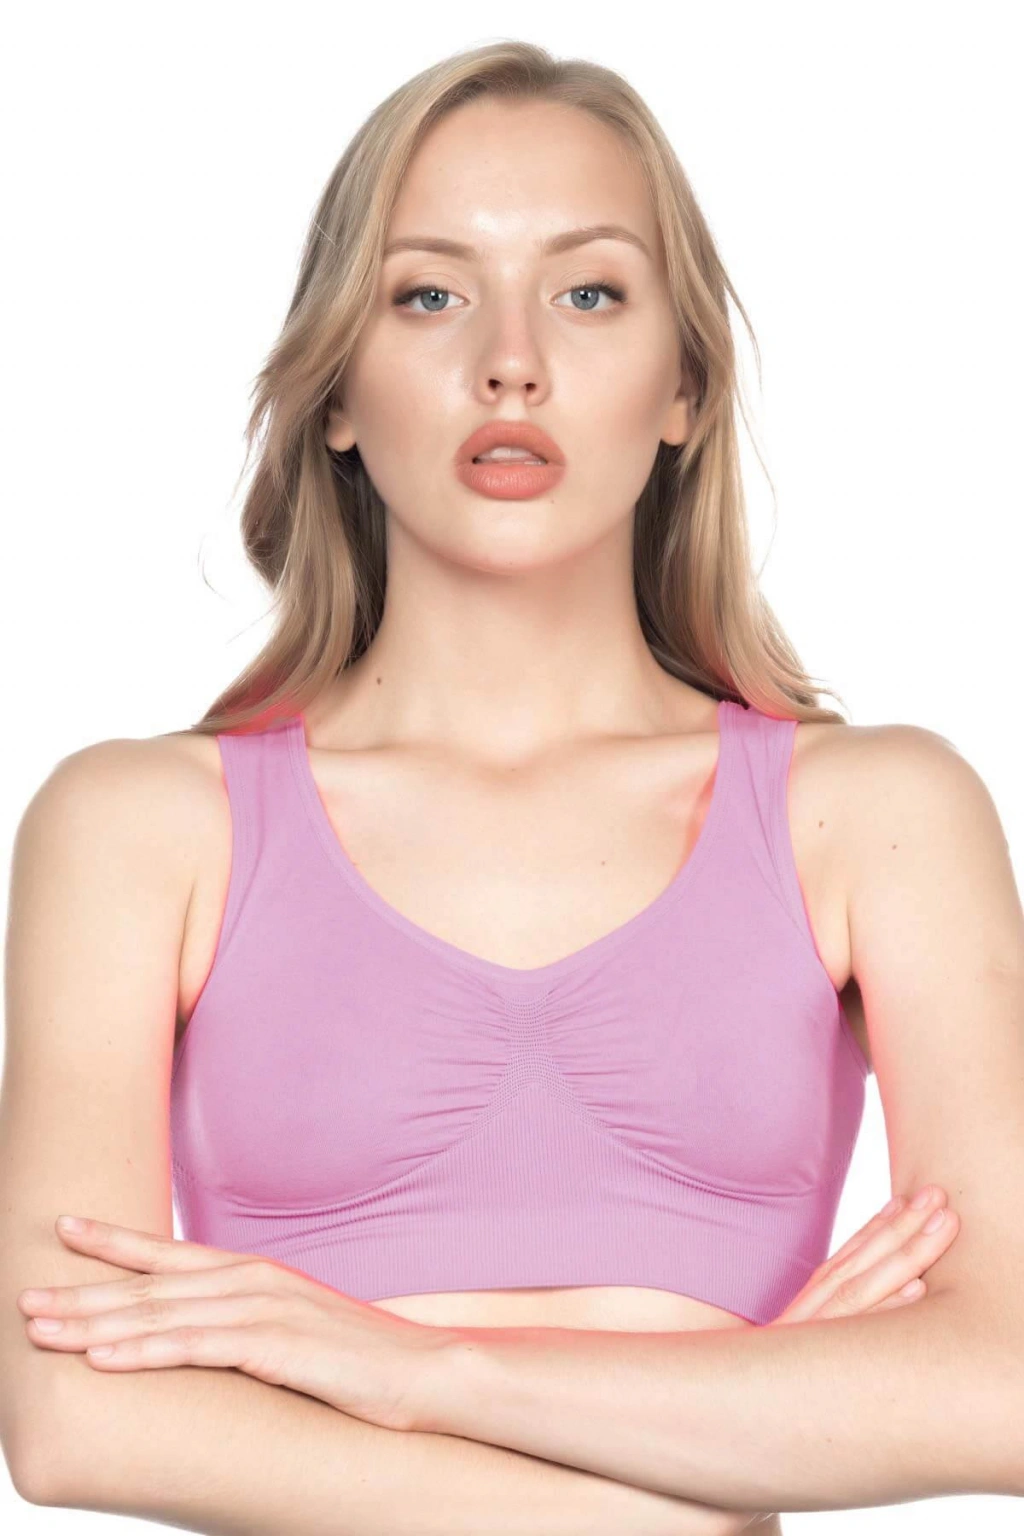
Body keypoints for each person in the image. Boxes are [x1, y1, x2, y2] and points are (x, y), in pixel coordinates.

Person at [10, 40, 1003, 1535]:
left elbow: (1001, 1385)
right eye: (429, 295)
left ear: (684, 387)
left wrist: (423, 1375)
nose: (512, 361)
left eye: (589, 293)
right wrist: (694, 1492)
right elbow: (74, 1418)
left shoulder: (876, 818)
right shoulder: (141, 830)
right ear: (336, 393)